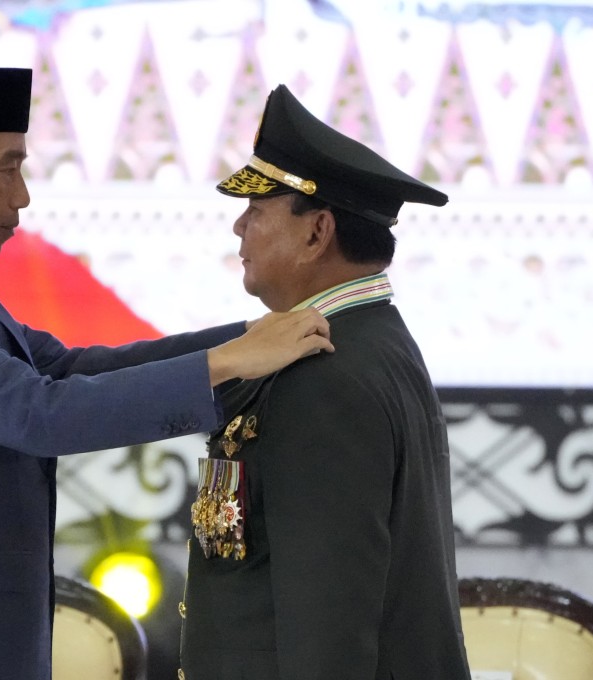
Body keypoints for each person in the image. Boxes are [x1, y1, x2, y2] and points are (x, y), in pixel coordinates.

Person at [0, 68, 334, 680]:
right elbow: (37, 413)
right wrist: (229, 363)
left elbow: (70, 369)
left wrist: (245, 337)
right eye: (7, 168)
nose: (21, 196)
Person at [178, 84, 472, 679]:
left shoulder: (323, 377)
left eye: (257, 211)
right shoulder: (369, 339)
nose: (239, 228)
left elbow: (329, 619)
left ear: (317, 233)